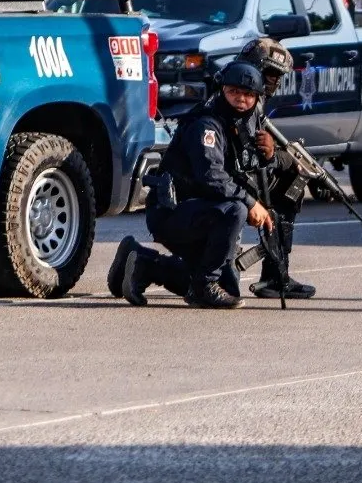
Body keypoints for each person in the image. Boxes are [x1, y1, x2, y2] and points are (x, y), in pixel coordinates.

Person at [111, 61, 272, 309]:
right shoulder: (207, 125)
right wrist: (250, 203)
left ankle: (143, 264)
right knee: (236, 210)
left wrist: (269, 154)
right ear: (222, 91)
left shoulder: (242, 125)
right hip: (173, 212)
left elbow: (254, 170)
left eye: (249, 95)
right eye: (234, 92)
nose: (241, 99)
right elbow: (211, 177)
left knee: (228, 288)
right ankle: (204, 285)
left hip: (201, 214)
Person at [234, 37, 316, 301]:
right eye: (270, 73)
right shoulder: (243, 98)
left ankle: (275, 274)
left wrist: (277, 154)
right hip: (228, 181)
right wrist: (280, 158)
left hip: (228, 176)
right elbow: (248, 158)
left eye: (278, 76)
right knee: (294, 174)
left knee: (292, 169)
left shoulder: (243, 93)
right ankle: (274, 276)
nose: (275, 81)